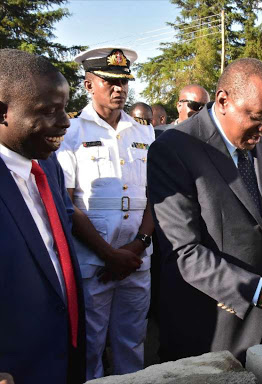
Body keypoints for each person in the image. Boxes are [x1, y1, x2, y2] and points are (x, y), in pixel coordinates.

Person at [148, 58, 262, 363]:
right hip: (208, 327)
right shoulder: (174, 150)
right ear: (223, 101)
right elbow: (185, 254)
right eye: (257, 117)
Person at [57, 47, 155, 379]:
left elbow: (157, 196)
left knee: (132, 343)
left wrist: (138, 245)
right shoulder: (71, 133)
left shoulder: (144, 132)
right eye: (109, 81)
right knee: (91, 346)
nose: (119, 89)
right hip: (94, 263)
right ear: (88, 85)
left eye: (124, 82)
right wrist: (108, 254)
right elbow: (67, 204)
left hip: (137, 260)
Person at [0, 49, 86, 384]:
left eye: (64, 108)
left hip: (63, 356)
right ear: (3, 111)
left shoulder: (47, 165)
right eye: (48, 111)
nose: (65, 121)